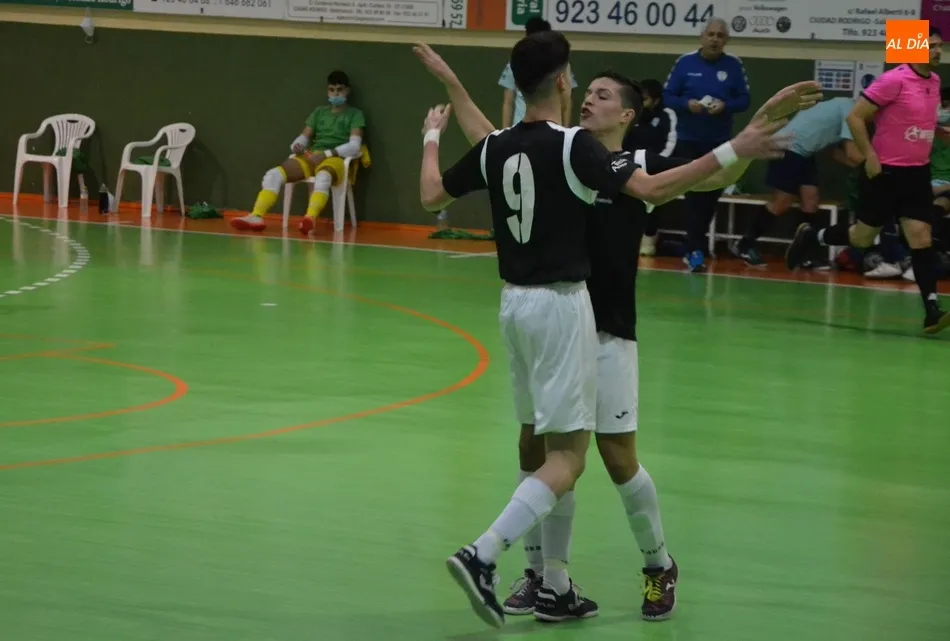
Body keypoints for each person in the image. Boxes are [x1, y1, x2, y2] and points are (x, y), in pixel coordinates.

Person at [414, 34, 811, 628]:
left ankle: (658, 565)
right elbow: (489, 139)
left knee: (615, 457)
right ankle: (547, 578)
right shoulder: (561, 152)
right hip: (558, 321)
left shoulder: (632, 166)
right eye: (587, 90)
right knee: (538, 448)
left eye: (604, 95)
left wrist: (745, 142)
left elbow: (699, 180)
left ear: (628, 114)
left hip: (604, 332)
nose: (590, 99)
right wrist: (451, 83)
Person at [786, 27, 950, 334]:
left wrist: (940, 132)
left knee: (921, 239)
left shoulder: (935, 81)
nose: (938, 51)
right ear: (914, 47)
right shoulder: (894, 80)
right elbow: (855, 117)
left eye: (940, 46)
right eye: (931, 45)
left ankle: (931, 310)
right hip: (884, 173)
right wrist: (870, 156)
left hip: (917, 173)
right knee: (862, 238)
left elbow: (919, 120)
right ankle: (812, 237)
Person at [731, 97, 864, 267]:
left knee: (810, 202)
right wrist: (875, 166)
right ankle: (744, 244)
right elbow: (851, 152)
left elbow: (836, 154)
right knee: (782, 202)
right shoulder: (850, 110)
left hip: (804, 153)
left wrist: (865, 166)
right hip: (787, 147)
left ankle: (804, 254)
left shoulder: (841, 106)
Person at [664, 17, 751, 272]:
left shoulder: (733, 65)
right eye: (711, 34)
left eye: (720, 36)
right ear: (702, 37)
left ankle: (695, 246)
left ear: (726, 40)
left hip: (719, 143)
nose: (715, 39)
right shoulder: (685, 62)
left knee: (711, 197)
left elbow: (744, 100)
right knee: (693, 196)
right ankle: (694, 250)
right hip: (688, 141)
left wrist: (726, 106)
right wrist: (686, 104)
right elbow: (668, 96)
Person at [231, 71, 365, 235]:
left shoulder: (355, 114)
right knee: (273, 175)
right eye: (332, 90)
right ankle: (256, 216)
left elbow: (355, 146)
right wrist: (298, 144)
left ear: (347, 90)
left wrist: (327, 154)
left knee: (323, 178)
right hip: (312, 156)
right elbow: (304, 136)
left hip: (335, 158)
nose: (335, 94)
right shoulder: (319, 112)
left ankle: (309, 218)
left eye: (339, 90)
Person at [622, 78, 677, 256]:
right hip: (630, 168)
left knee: (652, 200)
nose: (641, 102)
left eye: (644, 99)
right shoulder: (632, 115)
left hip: (657, 168)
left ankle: (649, 238)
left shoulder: (667, 115)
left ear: (656, 100)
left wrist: (654, 163)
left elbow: (671, 142)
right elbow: (622, 141)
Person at [499, 17, 577, 128]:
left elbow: (567, 101)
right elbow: (508, 102)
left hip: (552, 127)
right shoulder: (517, 62)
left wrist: (565, 128)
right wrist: (505, 130)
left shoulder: (560, 64)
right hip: (520, 127)